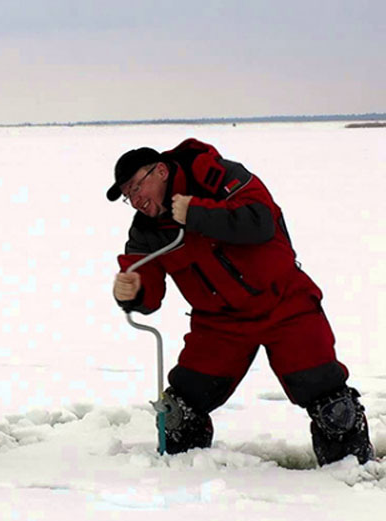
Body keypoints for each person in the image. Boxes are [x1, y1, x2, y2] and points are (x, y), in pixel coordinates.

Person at [108, 138, 373, 465]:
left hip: (283, 303)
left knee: (333, 408)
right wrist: (132, 291)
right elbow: (146, 287)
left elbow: (259, 220)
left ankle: (351, 478)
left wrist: (197, 213)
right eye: (127, 195)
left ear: (160, 170)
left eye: (136, 187)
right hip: (219, 324)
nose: (135, 200)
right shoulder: (145, 232)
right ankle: (183, 490)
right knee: (179, 413)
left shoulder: (213, 174)